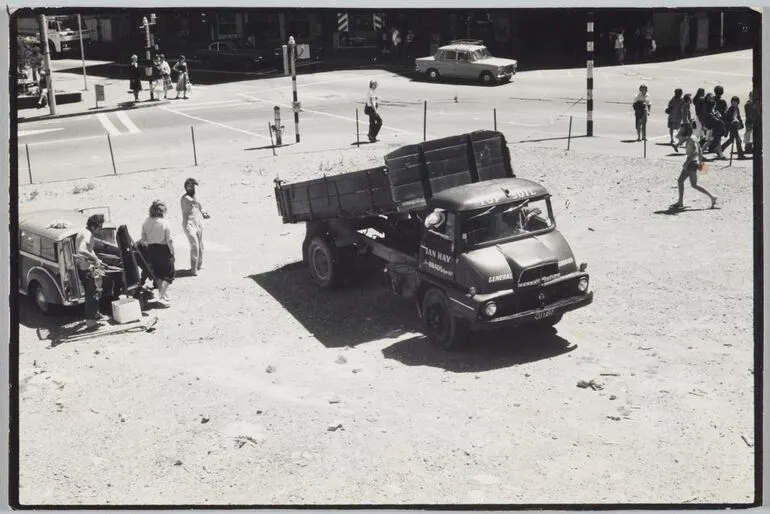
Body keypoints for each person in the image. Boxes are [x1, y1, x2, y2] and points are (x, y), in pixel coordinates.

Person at [671, 121, 717, 211]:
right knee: (681, 181)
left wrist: (686, 163)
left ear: (686, 130)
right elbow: (700, 150)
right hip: (693, 163)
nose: (680, 130)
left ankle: (712, 197)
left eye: (682, 129)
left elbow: (695, 152)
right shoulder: (693, 137)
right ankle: (680, 201)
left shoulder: (691, 139)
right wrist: (700, 163)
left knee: (693, 184)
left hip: (691, 164)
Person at [75, 214, 108, 328]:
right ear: (94, 226)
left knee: (94, 290)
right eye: (100, 227)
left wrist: (97, 260)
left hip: (87, 267)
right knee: (91, 294)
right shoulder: (87, 234)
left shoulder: (84, 232)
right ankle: (90, 320)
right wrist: (94, 259)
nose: (100, 229)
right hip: (85, 269)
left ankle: (95, 313)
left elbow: (89, 249)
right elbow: (81, 250)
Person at [141, 200, 175, 304]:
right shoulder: (165, 222)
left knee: (159, 274)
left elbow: (143, 239)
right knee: (170, 274)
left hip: (151, 249)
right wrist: (172, 252)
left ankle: (163, 294)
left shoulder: (146, 222)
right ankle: (161, 296)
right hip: (163, 249)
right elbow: (169, 240)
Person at [180, 178, 210, 275]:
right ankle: (193, 269)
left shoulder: (195, 196)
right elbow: (195, 203)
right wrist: (203, 211)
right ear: (185, 187)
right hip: (188, 224)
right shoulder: (185, 198)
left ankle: (199, 264)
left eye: (192, 186)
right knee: (195, 246)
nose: (191, 188)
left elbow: (198, 205)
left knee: (200, 245)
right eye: (188, 186)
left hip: (197, 222)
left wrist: (203, 213)